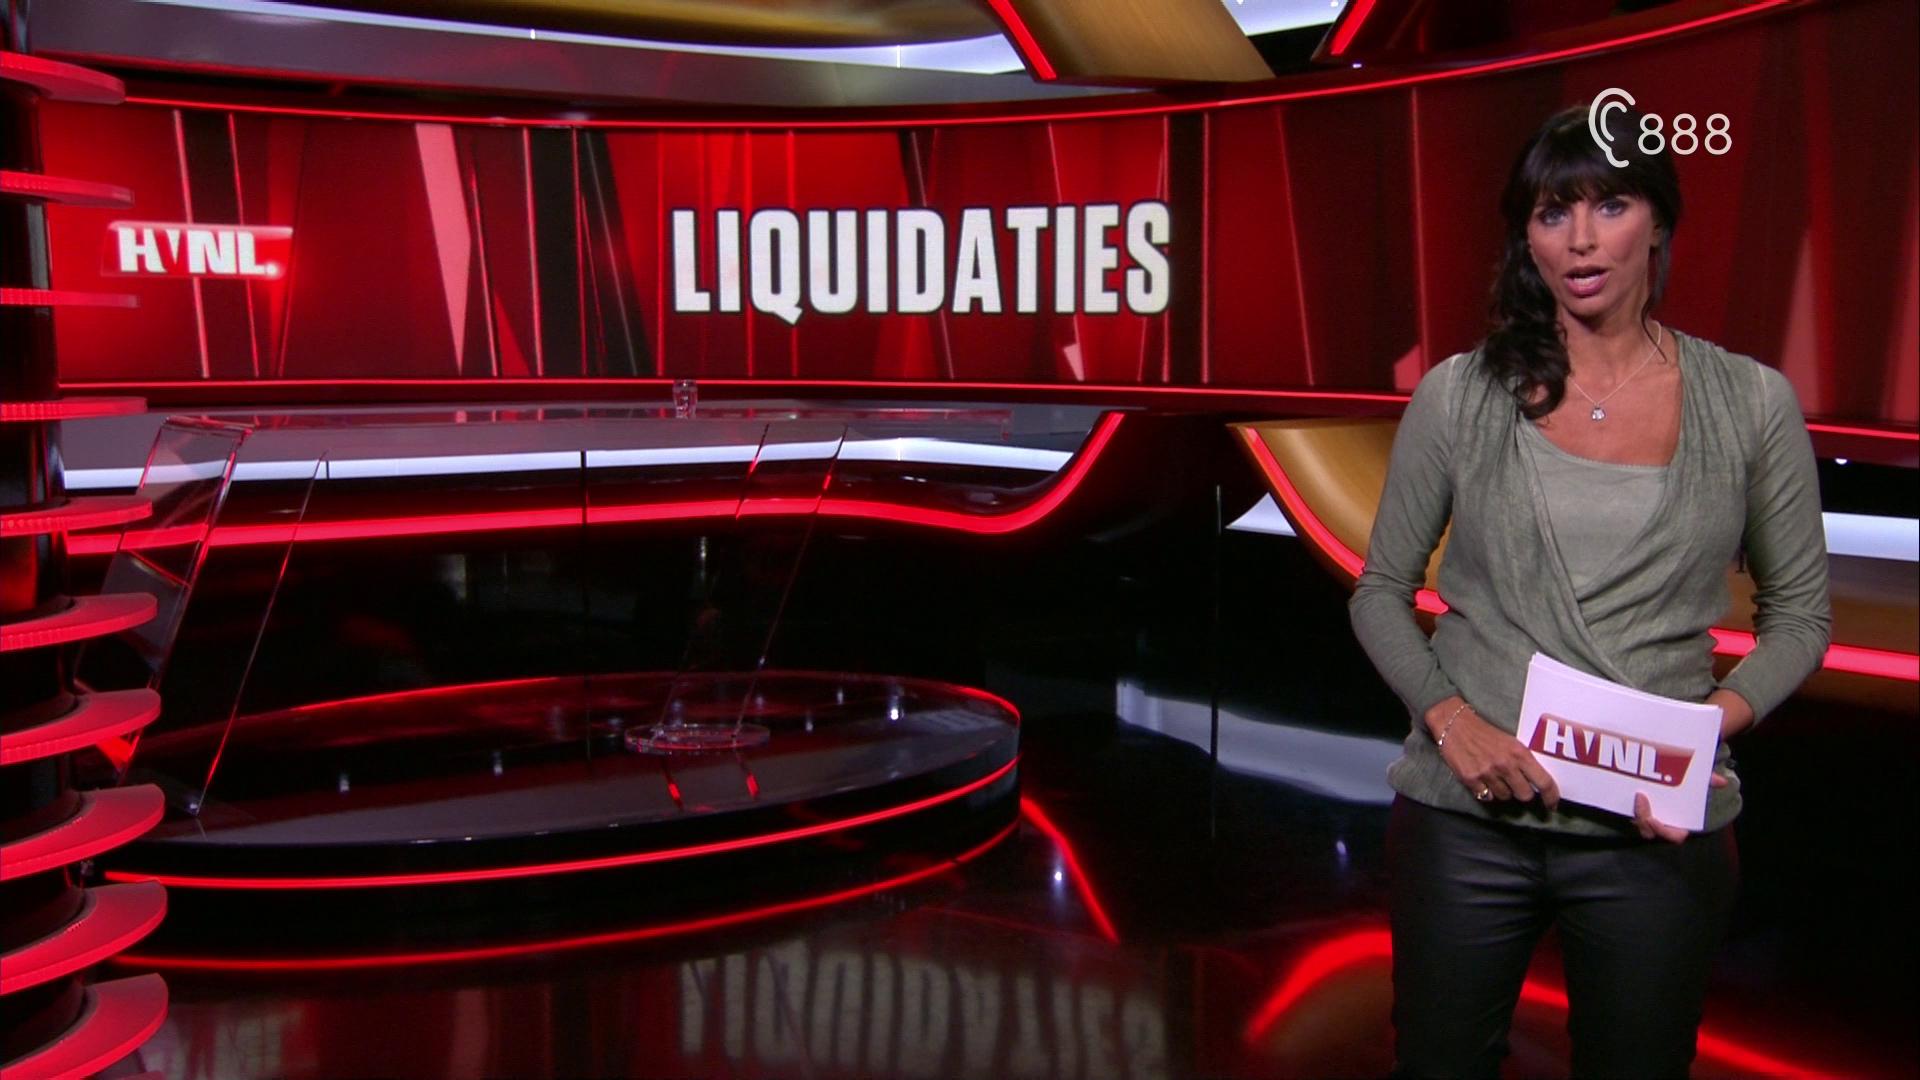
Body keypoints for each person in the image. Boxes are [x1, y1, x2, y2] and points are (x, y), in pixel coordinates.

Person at [1348, 104, 1831, 1078]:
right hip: (1467, 820)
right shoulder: (1459, 394)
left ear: (1658, 220)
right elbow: (1380, 591)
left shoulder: (1751, 404)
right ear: (1526, 237)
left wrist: (1703, 731)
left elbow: (1801, 617)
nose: (1578, 239)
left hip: (1650, 832)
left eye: (1608, 205)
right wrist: (1451, 721)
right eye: (1550, 212)